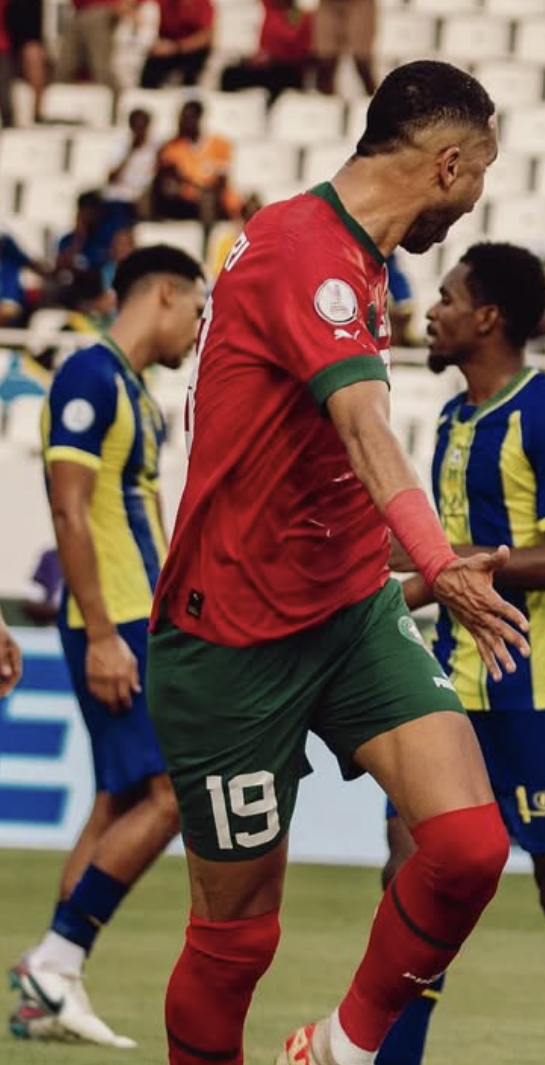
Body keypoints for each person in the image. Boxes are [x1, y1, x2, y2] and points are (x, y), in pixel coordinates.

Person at [142, 60, 530, 1065]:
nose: (478, 195)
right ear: (447, 162)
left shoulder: (363, 261)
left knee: (470, 847)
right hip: (230, 631)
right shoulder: (303, 253)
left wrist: (398, 571)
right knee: (235, 943)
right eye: (479, 173)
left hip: (347, 607)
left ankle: (342, 1050)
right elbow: (364, 430)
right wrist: (440, 560)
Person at [375, 241, 545, 1065]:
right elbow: (436, 558)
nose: (431, 311)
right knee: (412, 874)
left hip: (539, 689)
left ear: (488, 317)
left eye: (447, 297)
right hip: (449, 683)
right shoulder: (453, 417)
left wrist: (467, 562)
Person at [8, 245, 206, 1049]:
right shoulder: (89, 375)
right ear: (161, 294)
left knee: (119, 799)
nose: (199, 326)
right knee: (172, 797)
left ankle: (48, 991)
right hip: (113, 620)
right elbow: (69, 510)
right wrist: (100, 633)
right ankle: (56, 958)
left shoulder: (132, 391)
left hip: (135, 616)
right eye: (195, 307)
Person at [152, 99, 242, 225]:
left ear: (199, 118)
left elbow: (222, 178)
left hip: (214, 196)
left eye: (189, 117)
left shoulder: (220, 144)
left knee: (215, 199)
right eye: (182, 118)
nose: (184, 122)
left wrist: (207, 191)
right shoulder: (171, 147)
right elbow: (168, 178)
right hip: (184, 199)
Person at [219, 0, 312, 98]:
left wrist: (272, 57)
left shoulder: (299, 15)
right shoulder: (270, 7)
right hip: (266, 66)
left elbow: (299, 51)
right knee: (230, 73)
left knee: (278, 77)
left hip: (287, 69)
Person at [139, 0, 214, 88]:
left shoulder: (202, 3)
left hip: (190, 51)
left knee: (191, 72)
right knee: (149, 74)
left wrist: (176, 47)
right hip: (165, 48)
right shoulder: (165, 2)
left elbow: (206, 36)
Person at [313, 0, 376, 95]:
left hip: (360, 4)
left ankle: (379, 104)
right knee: (326, 62)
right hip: (328, 5)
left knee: (362, 62)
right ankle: (326, 104)